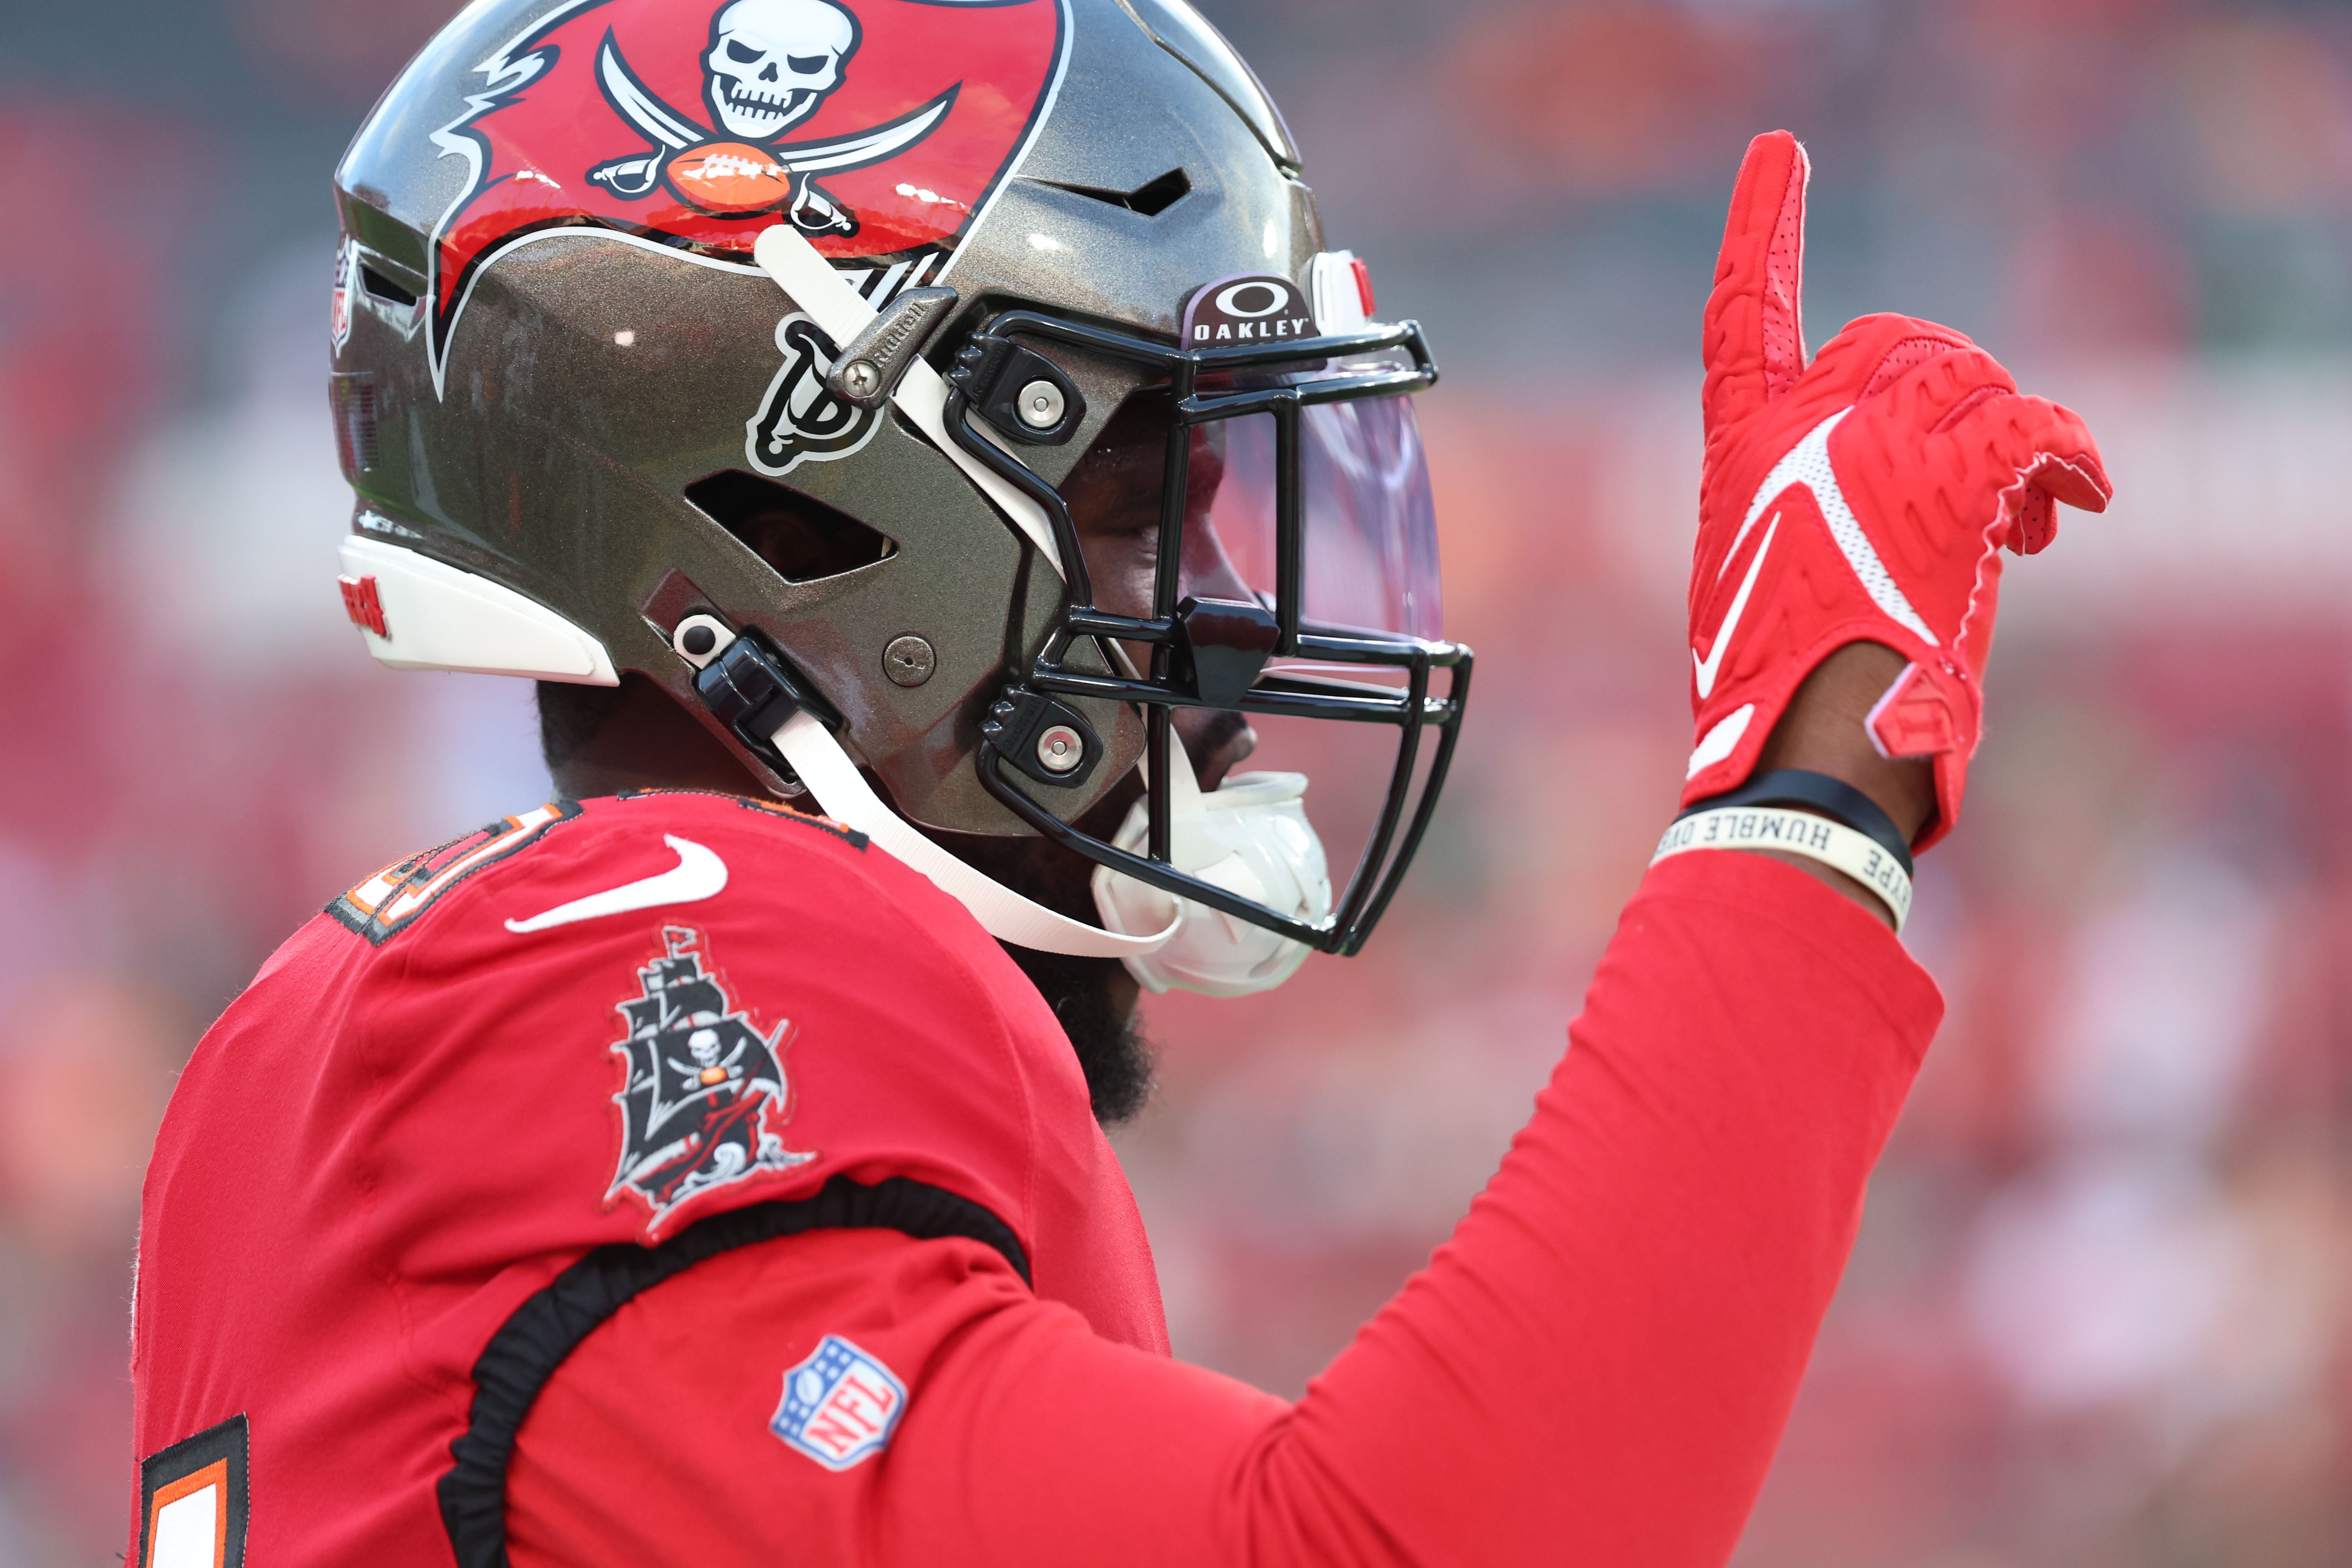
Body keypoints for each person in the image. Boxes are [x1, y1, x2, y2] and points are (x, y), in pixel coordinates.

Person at [127, 2, 2110, 1565]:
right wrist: (1803, 785)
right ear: (808, 504)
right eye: (1145, 506)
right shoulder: (619, 960)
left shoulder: (353, 1026)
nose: (1233, 622)